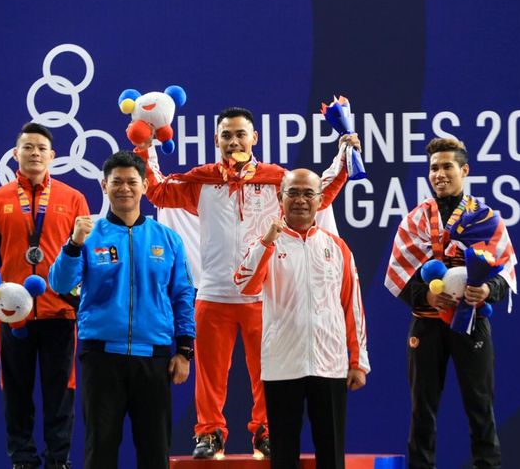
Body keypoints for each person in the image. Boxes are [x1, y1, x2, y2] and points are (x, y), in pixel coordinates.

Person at [136, 107, 359, 459]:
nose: (233, 141)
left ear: (254, 138)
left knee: (265, 371)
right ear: (216, 141)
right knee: (209, 372)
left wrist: (344, 155)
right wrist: (145, 146)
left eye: (240, 134)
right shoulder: (203, 182)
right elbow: (158, 191)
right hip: (213, 291)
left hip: (262, 294)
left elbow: (319, 193)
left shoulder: (276, 180)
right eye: (226, 136)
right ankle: (209, 433)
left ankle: (265, 431)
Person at [48, 151, 195, 469]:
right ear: (104, 185)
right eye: (117, 182)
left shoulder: (166, 239)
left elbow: (182, 295)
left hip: (153, 357)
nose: (124, 188)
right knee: (100, 449)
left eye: (132, 182)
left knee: (155, 451)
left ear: (144, 186)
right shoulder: (90, 235)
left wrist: (184, 350)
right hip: (101, 357)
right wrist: (73, 244)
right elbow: (60, 283)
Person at [384, 138, 517, 469]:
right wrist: (426, 295)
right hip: (426, 323)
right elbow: (399, 277)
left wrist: (487, 291)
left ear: (464, 170)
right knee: (422, 411)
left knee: (480, 407)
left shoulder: (486, 218)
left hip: (471, 322)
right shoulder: (415, 220)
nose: (439, 174)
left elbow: (505, 273)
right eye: (433, 168)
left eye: (447, 167)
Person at [234, 169, 370, 469]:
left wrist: (358, 362)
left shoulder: (338, 248)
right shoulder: (266, 244)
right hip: (282, 366)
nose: (300, 200)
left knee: (332, 455)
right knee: (283, 456)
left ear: (320, 200)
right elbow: (244, 285)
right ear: (280, 198)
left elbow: (353, 306)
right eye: (293, 193)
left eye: (308, 193)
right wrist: (267, 241)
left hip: (330, 365)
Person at [0, 122, 90, 469]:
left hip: (60, 312)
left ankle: (58, 460)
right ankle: (22, 460)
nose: (35, 153)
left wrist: (79, 295)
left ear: (53, 156)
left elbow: (85, 254)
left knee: (61, 391)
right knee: (16, 390)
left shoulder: (73, 198)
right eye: (28, 147)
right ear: (15, 154)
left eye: (41, 148)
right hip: (13, 312)